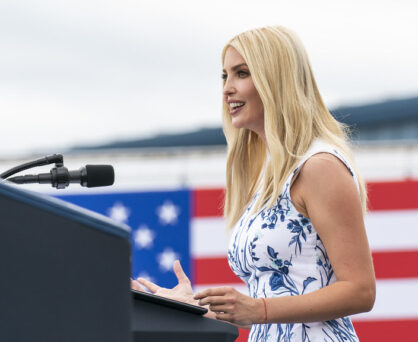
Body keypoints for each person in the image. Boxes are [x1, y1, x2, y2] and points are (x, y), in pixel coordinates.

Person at [132, 26, 376, 341]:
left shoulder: (319, 166)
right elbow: (263, 308)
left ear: (276, 80)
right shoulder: (267, 174)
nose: (227, 89)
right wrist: (188, 307)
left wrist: (259, 309)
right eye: (224, 76)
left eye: (241, 73)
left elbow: (361, 291)